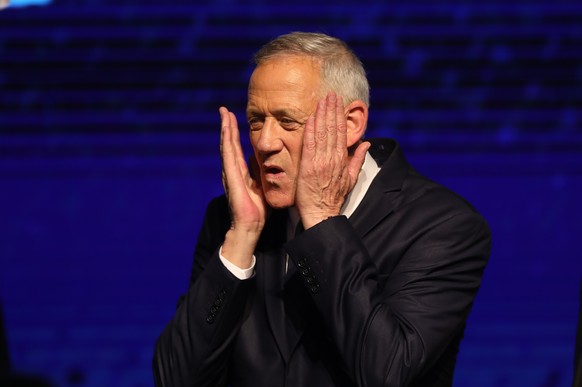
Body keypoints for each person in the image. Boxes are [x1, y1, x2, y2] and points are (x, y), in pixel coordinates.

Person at [153, 31, 491, 387]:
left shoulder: (444, 226)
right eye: (256, 121)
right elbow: (176, 380)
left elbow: (388, 373)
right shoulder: (231, 219)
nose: (265, 143)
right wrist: (243, 235)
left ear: (350, 124)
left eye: (287, 121)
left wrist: (322, 222)